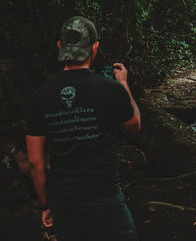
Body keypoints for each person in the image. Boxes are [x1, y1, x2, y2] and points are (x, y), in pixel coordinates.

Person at [26, 16, 141, 241]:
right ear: (94, 47)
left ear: (60, 46)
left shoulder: (40, 96)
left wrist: (45, 205)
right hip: (104, 197)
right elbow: (134, 126)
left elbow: (35, 162)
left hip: (63, 201)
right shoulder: (110, 89)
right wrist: (124, 84)